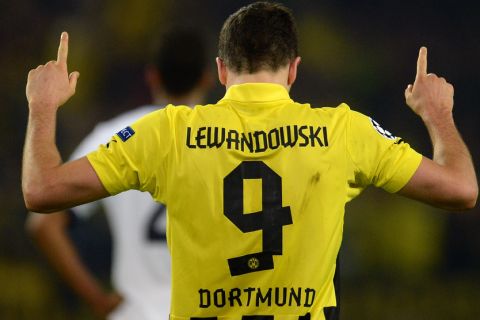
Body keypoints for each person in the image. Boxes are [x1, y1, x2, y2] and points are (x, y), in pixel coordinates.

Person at [23, 2, 477, 319]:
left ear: (221, 70)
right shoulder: (344, 131)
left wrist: (43, 108)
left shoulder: (167, 132)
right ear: (294, 69)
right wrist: (437, 115)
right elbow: (462, 190)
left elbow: (42, 191)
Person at [25, 28, 211, 320]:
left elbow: (44, 224)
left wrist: (97, 299)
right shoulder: (227, 138)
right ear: (208, 78)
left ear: (152, 76)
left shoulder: (113, 134)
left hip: (134, 313)